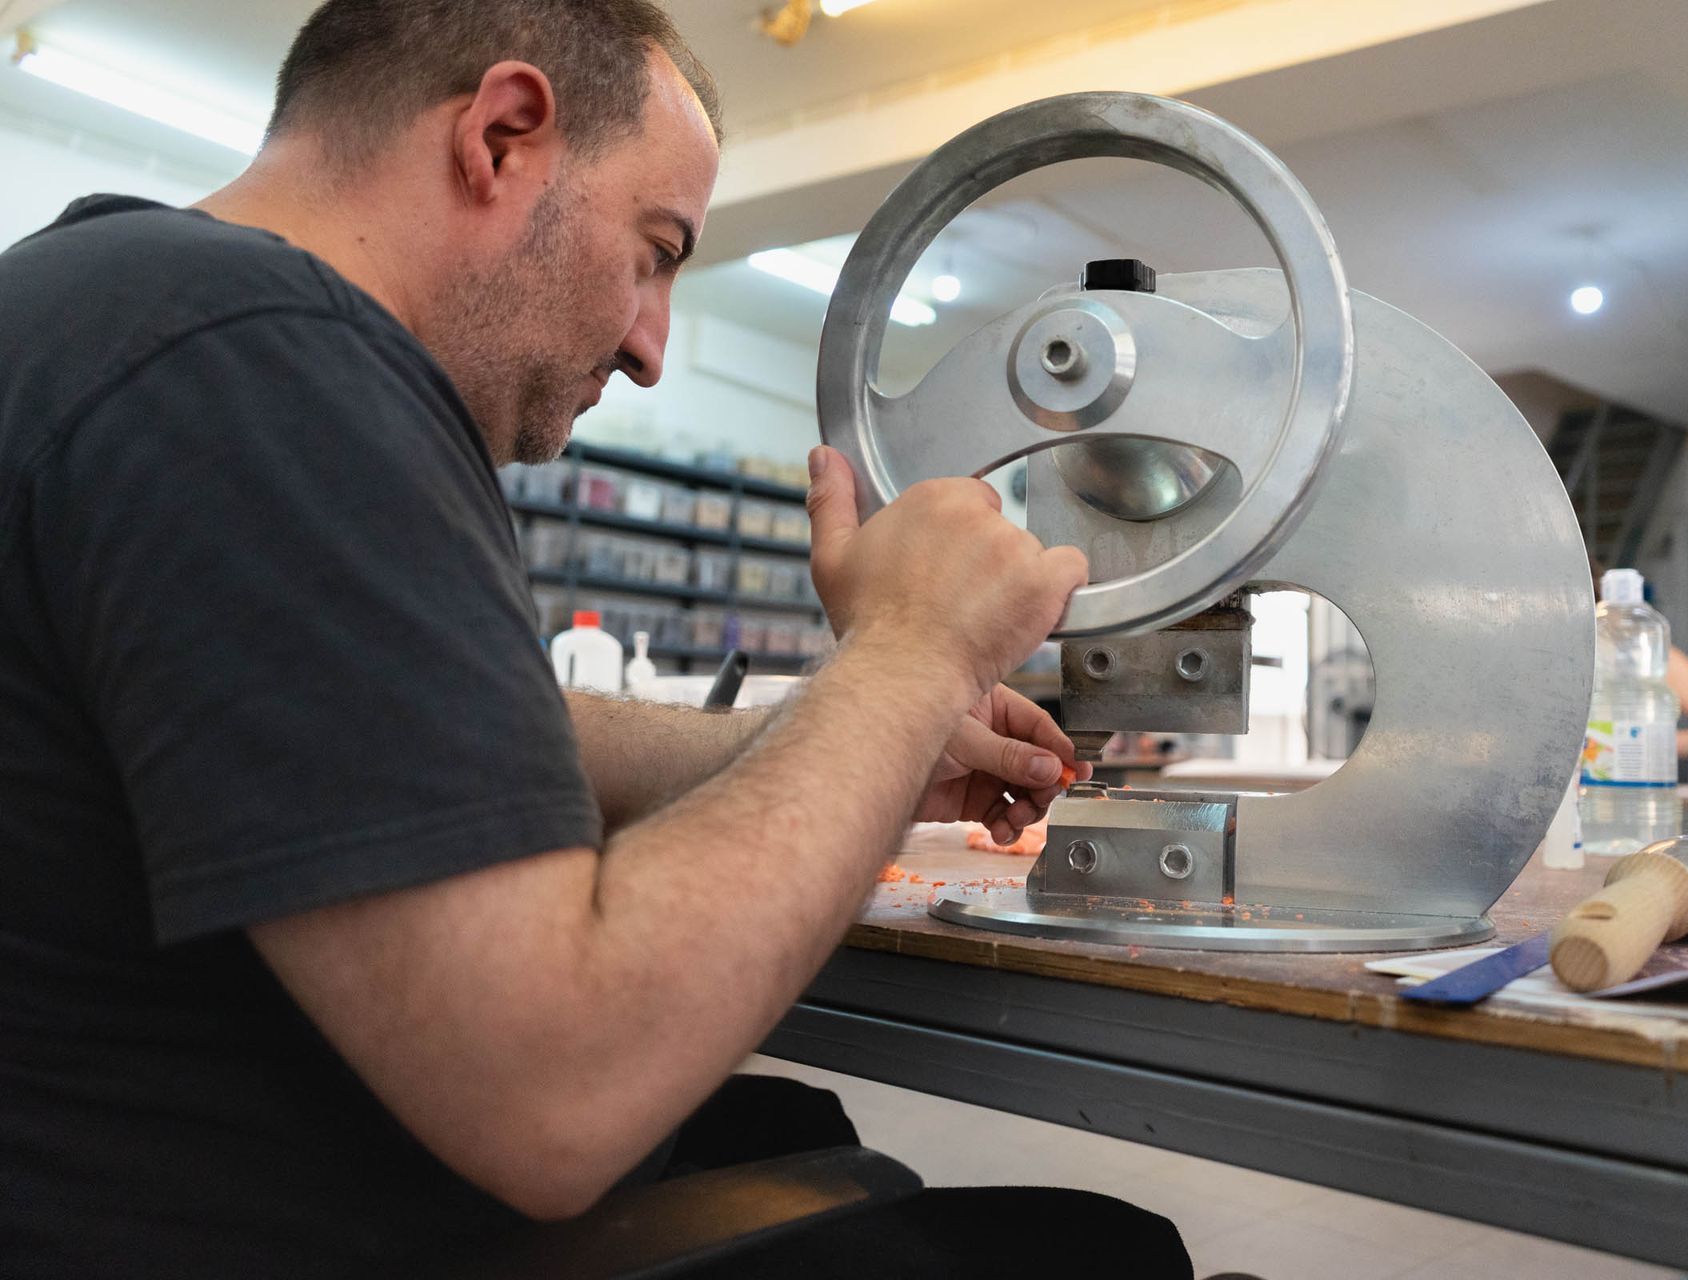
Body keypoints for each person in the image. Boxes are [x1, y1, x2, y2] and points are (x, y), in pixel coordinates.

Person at [0, 2, 1194, 1275]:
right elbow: (557, 1088)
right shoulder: (265, 356)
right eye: (656, 249)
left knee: (798, 1128)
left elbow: (388, 744)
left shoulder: (92, 310)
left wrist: (825, 736)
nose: (650, 345)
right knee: (1109, 1251)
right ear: (504, 135)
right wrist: (909, 651)